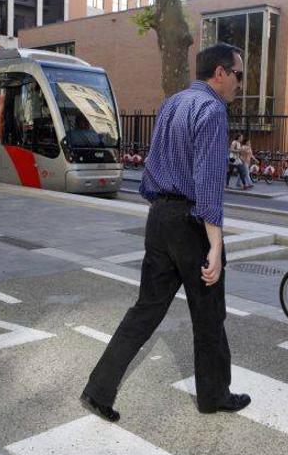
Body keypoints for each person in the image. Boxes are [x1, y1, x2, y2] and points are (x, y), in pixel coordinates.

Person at [81, 43, 250, 423]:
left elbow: (153, 166)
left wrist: (163, 212)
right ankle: (214, 396)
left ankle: (98, 390)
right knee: (209, 313)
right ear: (220, 73)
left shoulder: (172, 104)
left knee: (146, 309)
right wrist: (216, 245)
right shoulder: (212, 110)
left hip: (159, 217)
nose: (240, 83)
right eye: (239, 75)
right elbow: (208, 186)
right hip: (191, 222)